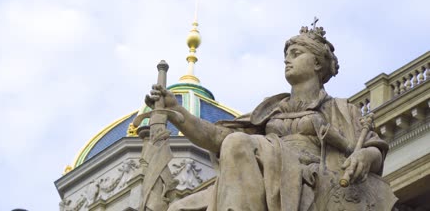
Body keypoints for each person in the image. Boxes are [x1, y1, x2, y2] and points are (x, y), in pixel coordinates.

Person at [145, 24, 397, 210]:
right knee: (177, 208)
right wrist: (176, 112)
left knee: (237, 143)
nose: (287, 59)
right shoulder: (270, 109)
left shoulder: (341, 109)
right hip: (266, 174)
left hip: (308, 176)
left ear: (317, 64)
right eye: (287, 55)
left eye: (296, 54)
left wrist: (364, 155)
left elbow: (374, 149)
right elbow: (217, 137)